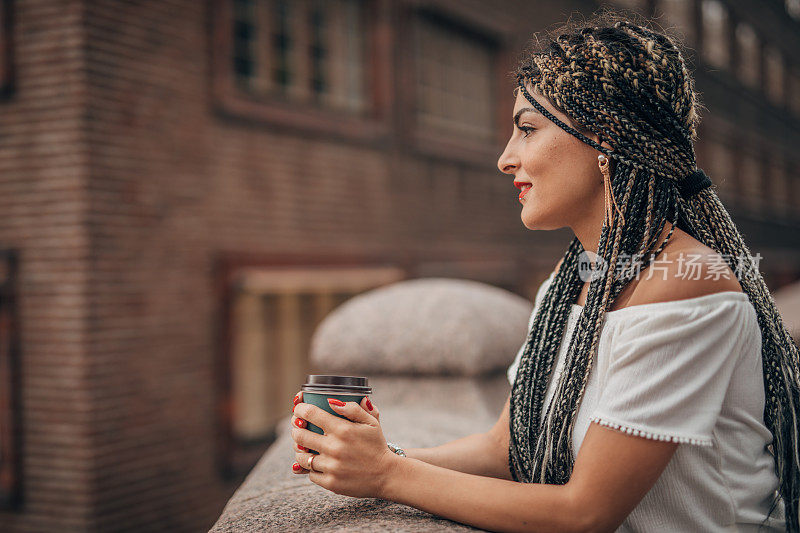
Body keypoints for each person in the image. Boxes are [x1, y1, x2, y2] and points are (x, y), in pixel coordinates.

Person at [288, 11, 799, 532]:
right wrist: (370, 456)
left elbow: (586, 513)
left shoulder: (684, 284)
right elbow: (505, 449)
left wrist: (388, 475)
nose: (506, 159)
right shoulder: (572, 278)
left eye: (527, 129)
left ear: (605, 140)